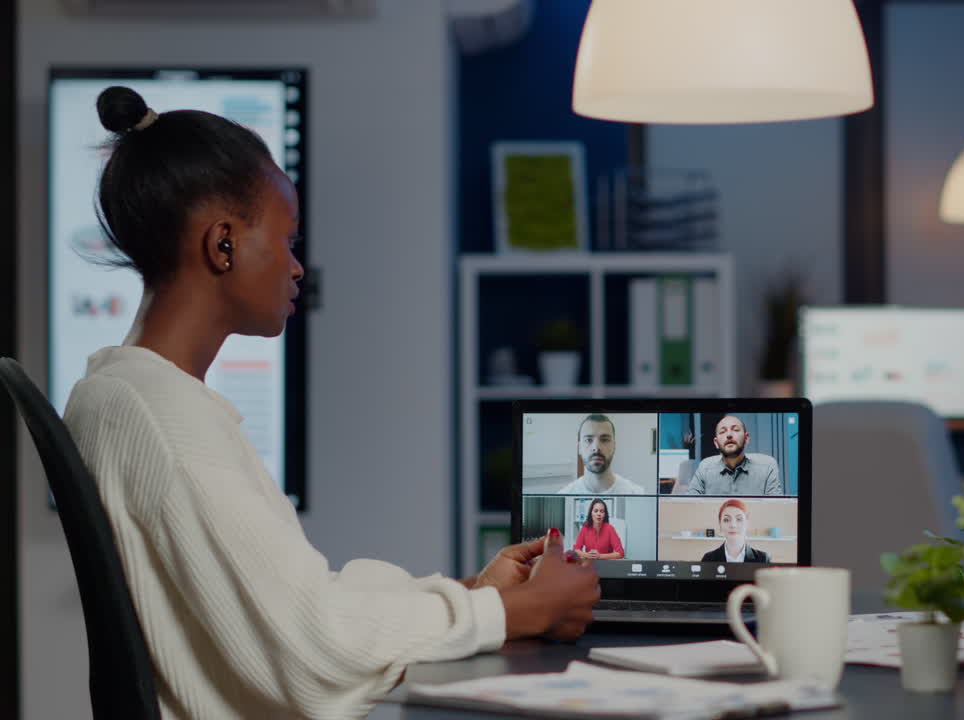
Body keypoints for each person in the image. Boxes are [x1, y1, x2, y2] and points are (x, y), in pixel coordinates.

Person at [62, 86, 600, 720]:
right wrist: (512, 612)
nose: (296, 268)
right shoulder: (170, 424)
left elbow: (294, 602)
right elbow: (311, 648)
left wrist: (470, 593)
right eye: (287, 241)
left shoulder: (116, 393)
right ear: (223, 243)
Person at [685, 415, 783, 495]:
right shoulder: (705, 468)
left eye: (735, 430)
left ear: (746, 438)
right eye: (723, 432)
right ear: (716, 443)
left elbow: (775, 509)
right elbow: (690, 505)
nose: (729, 435)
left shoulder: (767, 467)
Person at [557, 413, 647, 494]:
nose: (596, 447)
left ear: (614, 446)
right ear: (579, 448)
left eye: (604, 440)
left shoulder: (636, 493)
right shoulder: (564, 495)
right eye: (588, 440)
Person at [701, 499, 771, 563]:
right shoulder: (708, 559)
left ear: (747, 522)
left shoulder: (763, 559)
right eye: (726, 520)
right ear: (720, 524)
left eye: (739, 519)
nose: (733, 525)